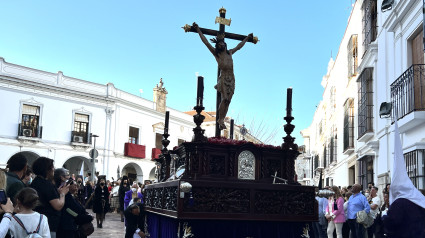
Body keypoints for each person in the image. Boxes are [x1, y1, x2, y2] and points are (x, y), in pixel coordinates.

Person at [192, 22, 253, 130]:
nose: (221, 45)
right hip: (224, 77)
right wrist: (198, 30)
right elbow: (206, 42)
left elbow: (239, 46)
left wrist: (247, 38)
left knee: (228, 100)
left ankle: (222, 118)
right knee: (224, 98)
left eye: (222, 43)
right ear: (217, 46)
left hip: (232, 78)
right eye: (219, 44)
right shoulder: (217, 54)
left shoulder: (230, 52)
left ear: (225, 44)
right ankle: (220, 119)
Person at [31, 157, 69, 238]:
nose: (54, 169)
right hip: (48, 224)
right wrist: (62, 194)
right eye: (52, 167)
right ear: (47, 170)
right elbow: (58, 206)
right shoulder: (46, 184)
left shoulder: (35, 182)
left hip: (38, 223)